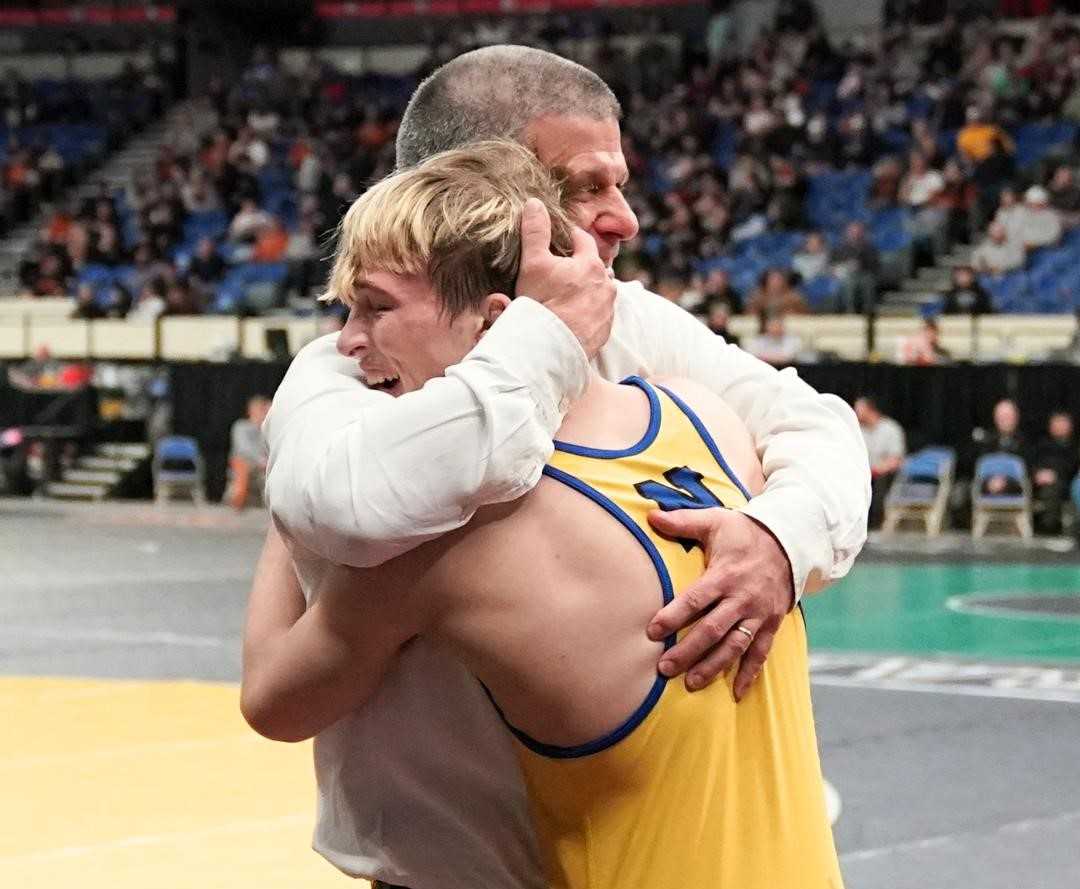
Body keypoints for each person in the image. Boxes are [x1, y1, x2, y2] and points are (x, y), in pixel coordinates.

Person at [256, 45, 869, 889]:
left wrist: (778, 538)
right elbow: (345, 500)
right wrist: (539, 336)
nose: (625, 218)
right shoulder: (348, 369)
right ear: (481, 192)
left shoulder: (628, 323)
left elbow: (817, 425)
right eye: (586, 187)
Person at [854, 395, 905, 528]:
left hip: (883, 474)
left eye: (859, 409)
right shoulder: (857, 429)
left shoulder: (890, 428)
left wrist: (876, 470)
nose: (855, 412)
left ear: (870, 410)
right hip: (860, 473)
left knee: (878, 482)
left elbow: (896, 459)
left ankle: (875, 523)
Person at [1030, 411, 1078, 534]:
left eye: (1063, 423)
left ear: (1070, 426)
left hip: (1065, 482)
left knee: (1051, 489)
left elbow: (1073, 468)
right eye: (1056, 423)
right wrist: (1037, 474)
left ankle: (1049, 528)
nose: (1059, 426)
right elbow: (1030, 462)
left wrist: (1055, 475)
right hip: (1037, 480)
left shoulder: (1074, 447)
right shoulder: (1041, 444)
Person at [227, 395, 271, 510]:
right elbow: (244, 448)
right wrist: (260, 460)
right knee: (242, 464)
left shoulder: (267, 429)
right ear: (251, 410)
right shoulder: (241, 426)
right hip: (244, 461)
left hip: (264, 463)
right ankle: (238, 500)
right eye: (262, 410)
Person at [975, 399, 1026, 496]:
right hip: (988, 485)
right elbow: (980, 469)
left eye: (1008, 416)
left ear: (1016, 418)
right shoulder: (986, 442)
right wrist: (991, 481)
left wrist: (1005, 482)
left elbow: (1027, 471)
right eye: (1001, 417)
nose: (1004, 420)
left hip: (1015, 487)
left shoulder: (1026, 442)